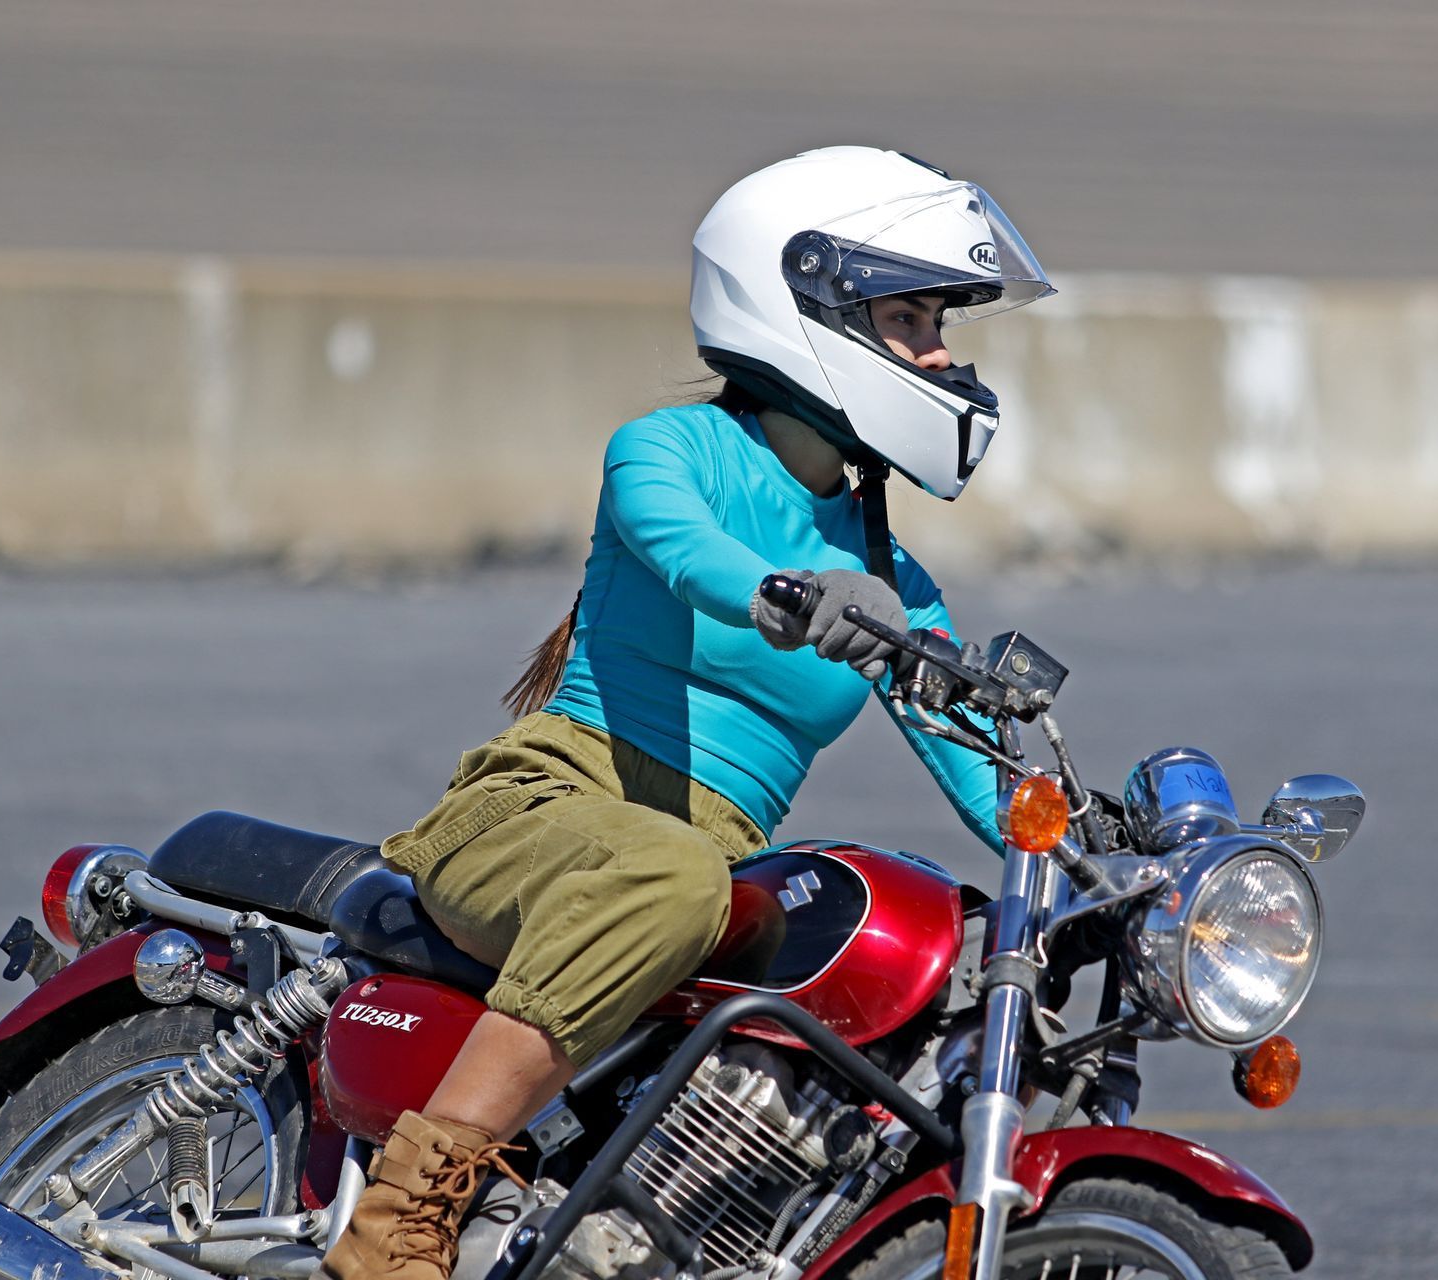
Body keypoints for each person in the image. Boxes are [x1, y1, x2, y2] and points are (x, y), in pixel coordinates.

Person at [316, 145, 1055, 1280]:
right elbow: (684, 548)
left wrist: (1102, 843)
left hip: (704, 877)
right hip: (549, 808)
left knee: (932, 944)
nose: (943, 353)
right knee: (670, 874)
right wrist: (785, 597)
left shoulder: (896, 586)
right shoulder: (669, 451)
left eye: (940, 323)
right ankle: (401, 1217)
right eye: (910, 318)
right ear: (803, 310)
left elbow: (983, 774)